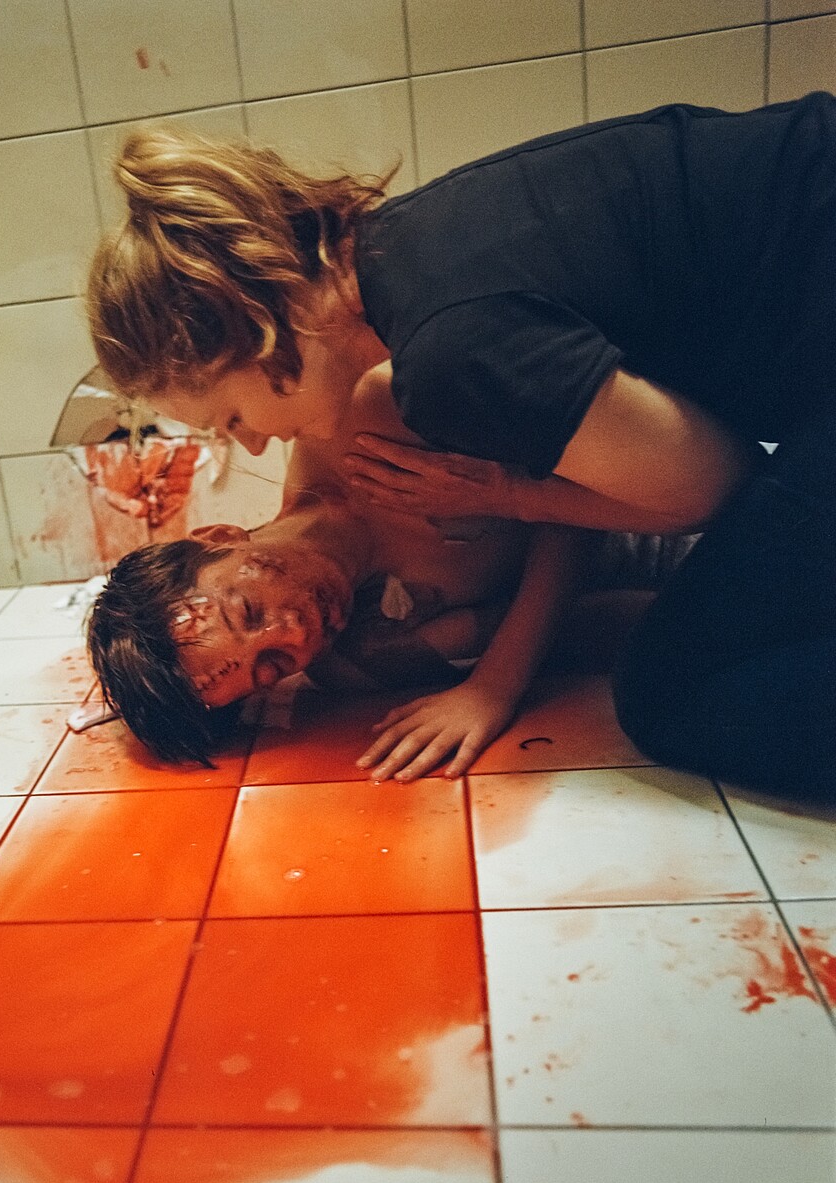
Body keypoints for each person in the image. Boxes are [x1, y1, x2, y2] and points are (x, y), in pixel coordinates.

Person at [86, 95, 836, 798]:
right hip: (801, 296)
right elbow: (606, 608)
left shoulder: (418, 377)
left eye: (230, 418)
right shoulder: (402, 262)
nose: (249, 446)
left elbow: (724, 483)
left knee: (672, 696)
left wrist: (506, 512)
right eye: (273, 664)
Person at [87, 365, 688, 779]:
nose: (296, 635)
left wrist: (494, 687)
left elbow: (575, 464)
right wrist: (474, 647)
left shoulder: (361, 424)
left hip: (680, 472)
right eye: (271, 668)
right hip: (684, 580)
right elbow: (594, 627)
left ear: (218, 538)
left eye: (248, 611)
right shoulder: (360, 659)